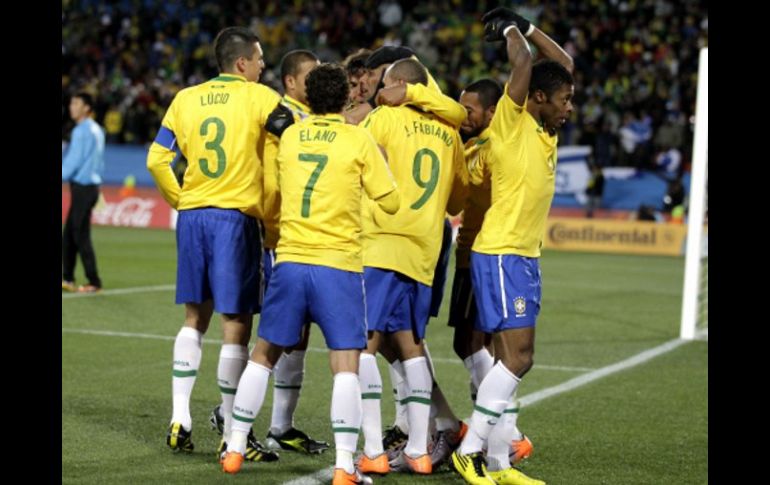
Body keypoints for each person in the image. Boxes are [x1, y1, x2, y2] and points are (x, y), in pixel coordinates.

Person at [220, 63, 400, 485]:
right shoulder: (358, 139)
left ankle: (233, 447)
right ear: (346, 99)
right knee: (346, 366)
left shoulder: (292, 136)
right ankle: (343, 465)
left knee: (263, 355)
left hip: (291, 261)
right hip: (337, 265)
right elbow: (390, 202)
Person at [451, 8, 574, 485]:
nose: (570, 108)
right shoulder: (512, 122)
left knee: (508, 361)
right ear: (537, 99)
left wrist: (528, 26)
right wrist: (509, 31)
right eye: (563, 100)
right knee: (520, 358)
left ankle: (500, 465)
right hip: (502, 253)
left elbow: (561, 62)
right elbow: (523, 65)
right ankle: (471, 450)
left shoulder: (546, 130)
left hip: (521, 254)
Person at [146, 26, 280, 462]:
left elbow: (157, 158)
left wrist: (181, 199)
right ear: (241, 63)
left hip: (193, 216)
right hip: (233, 219)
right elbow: (286, 142)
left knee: (193, 318)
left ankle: (180, 417)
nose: (263, 67)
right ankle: (229, 428)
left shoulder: (185, 98)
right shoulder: (260, 98)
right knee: (235, 324)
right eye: (259, 60)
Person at [209, 48, 329, 456]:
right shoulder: (277, 116)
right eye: (308, 77)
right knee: (273, 337)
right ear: (291, 82)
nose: (314, 84)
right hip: (277, 237)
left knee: (297, 337)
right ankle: (232, 419)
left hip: (304, 239)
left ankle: (281, 425)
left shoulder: (310, 122)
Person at [356, 58, 467, 476]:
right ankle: (419, 449)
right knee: (411, 346)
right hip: (423, 252)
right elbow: (455, 204)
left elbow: (358, 167)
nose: (381, 91)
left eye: (386, 84)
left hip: (381, 243)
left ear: (401, 85)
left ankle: (371, 449)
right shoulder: (451, 134)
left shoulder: (383, 119)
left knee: (362, 343)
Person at [453, 78, 534, 465]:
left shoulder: (488, 148)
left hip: (482, 256)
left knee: (477, 345)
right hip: (479, 255)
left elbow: (460, 191)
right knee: (476, 345)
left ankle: (506, 433)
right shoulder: (478, 145)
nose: (462, 115)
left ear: (491, 113)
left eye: (470, 109)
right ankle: (499, 436)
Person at [62, 92, 105, 294]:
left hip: (82, 187)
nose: (71, 106)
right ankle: (67, 277)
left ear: (87, 108)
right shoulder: (97, 130)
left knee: (79, 234)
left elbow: (73, 161)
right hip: (91, 188)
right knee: (70, 233)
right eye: (71, 102)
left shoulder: (81, 131)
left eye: (76, 103)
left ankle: (93, 281)